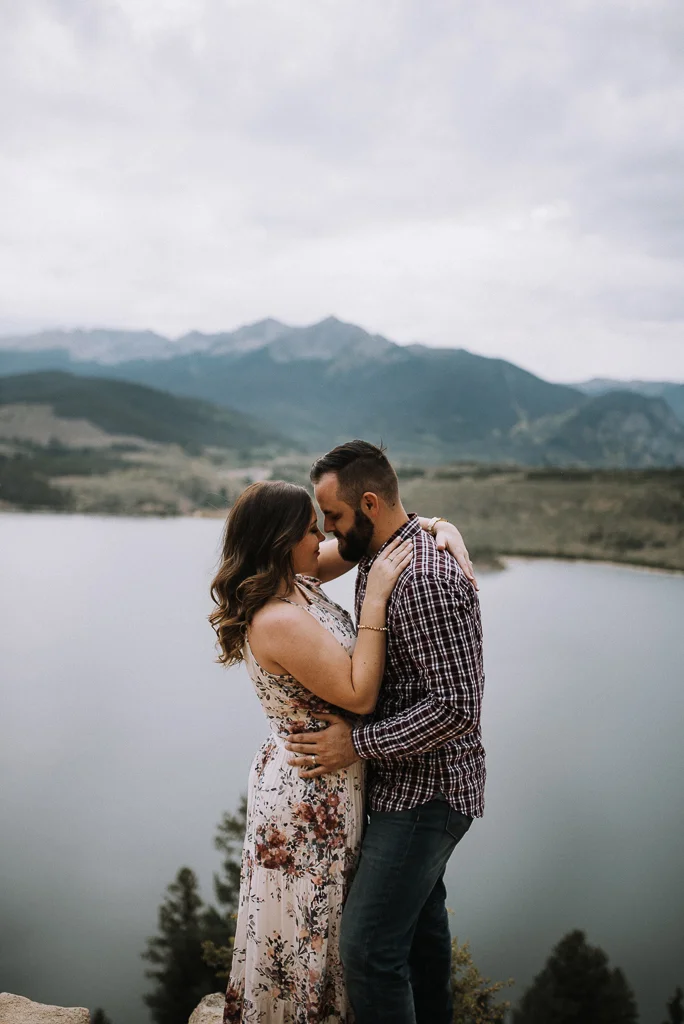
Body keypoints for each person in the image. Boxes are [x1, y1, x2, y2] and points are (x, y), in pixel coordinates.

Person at [209, 475, 474, 1023]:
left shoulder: (296, 579)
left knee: (340, 935)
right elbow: (359, 691)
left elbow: (367, 535)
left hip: (336, 777)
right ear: (282, 542)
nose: (323, 538)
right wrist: (376, 595)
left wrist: (439, 527)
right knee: (311, 939)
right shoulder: (278, 618)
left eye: (322, 522)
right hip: (310, 793)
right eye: (312, 529)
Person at [285, 440, 486, 1024]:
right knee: (421, 943)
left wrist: (356, 743)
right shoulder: (377, 549)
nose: (326, 532)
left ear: (369, 504)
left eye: (334, 517)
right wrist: (436, 521)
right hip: (404, 789)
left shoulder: (422, 575)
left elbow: (456, 709)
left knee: (368, 950)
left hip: (428, 794)